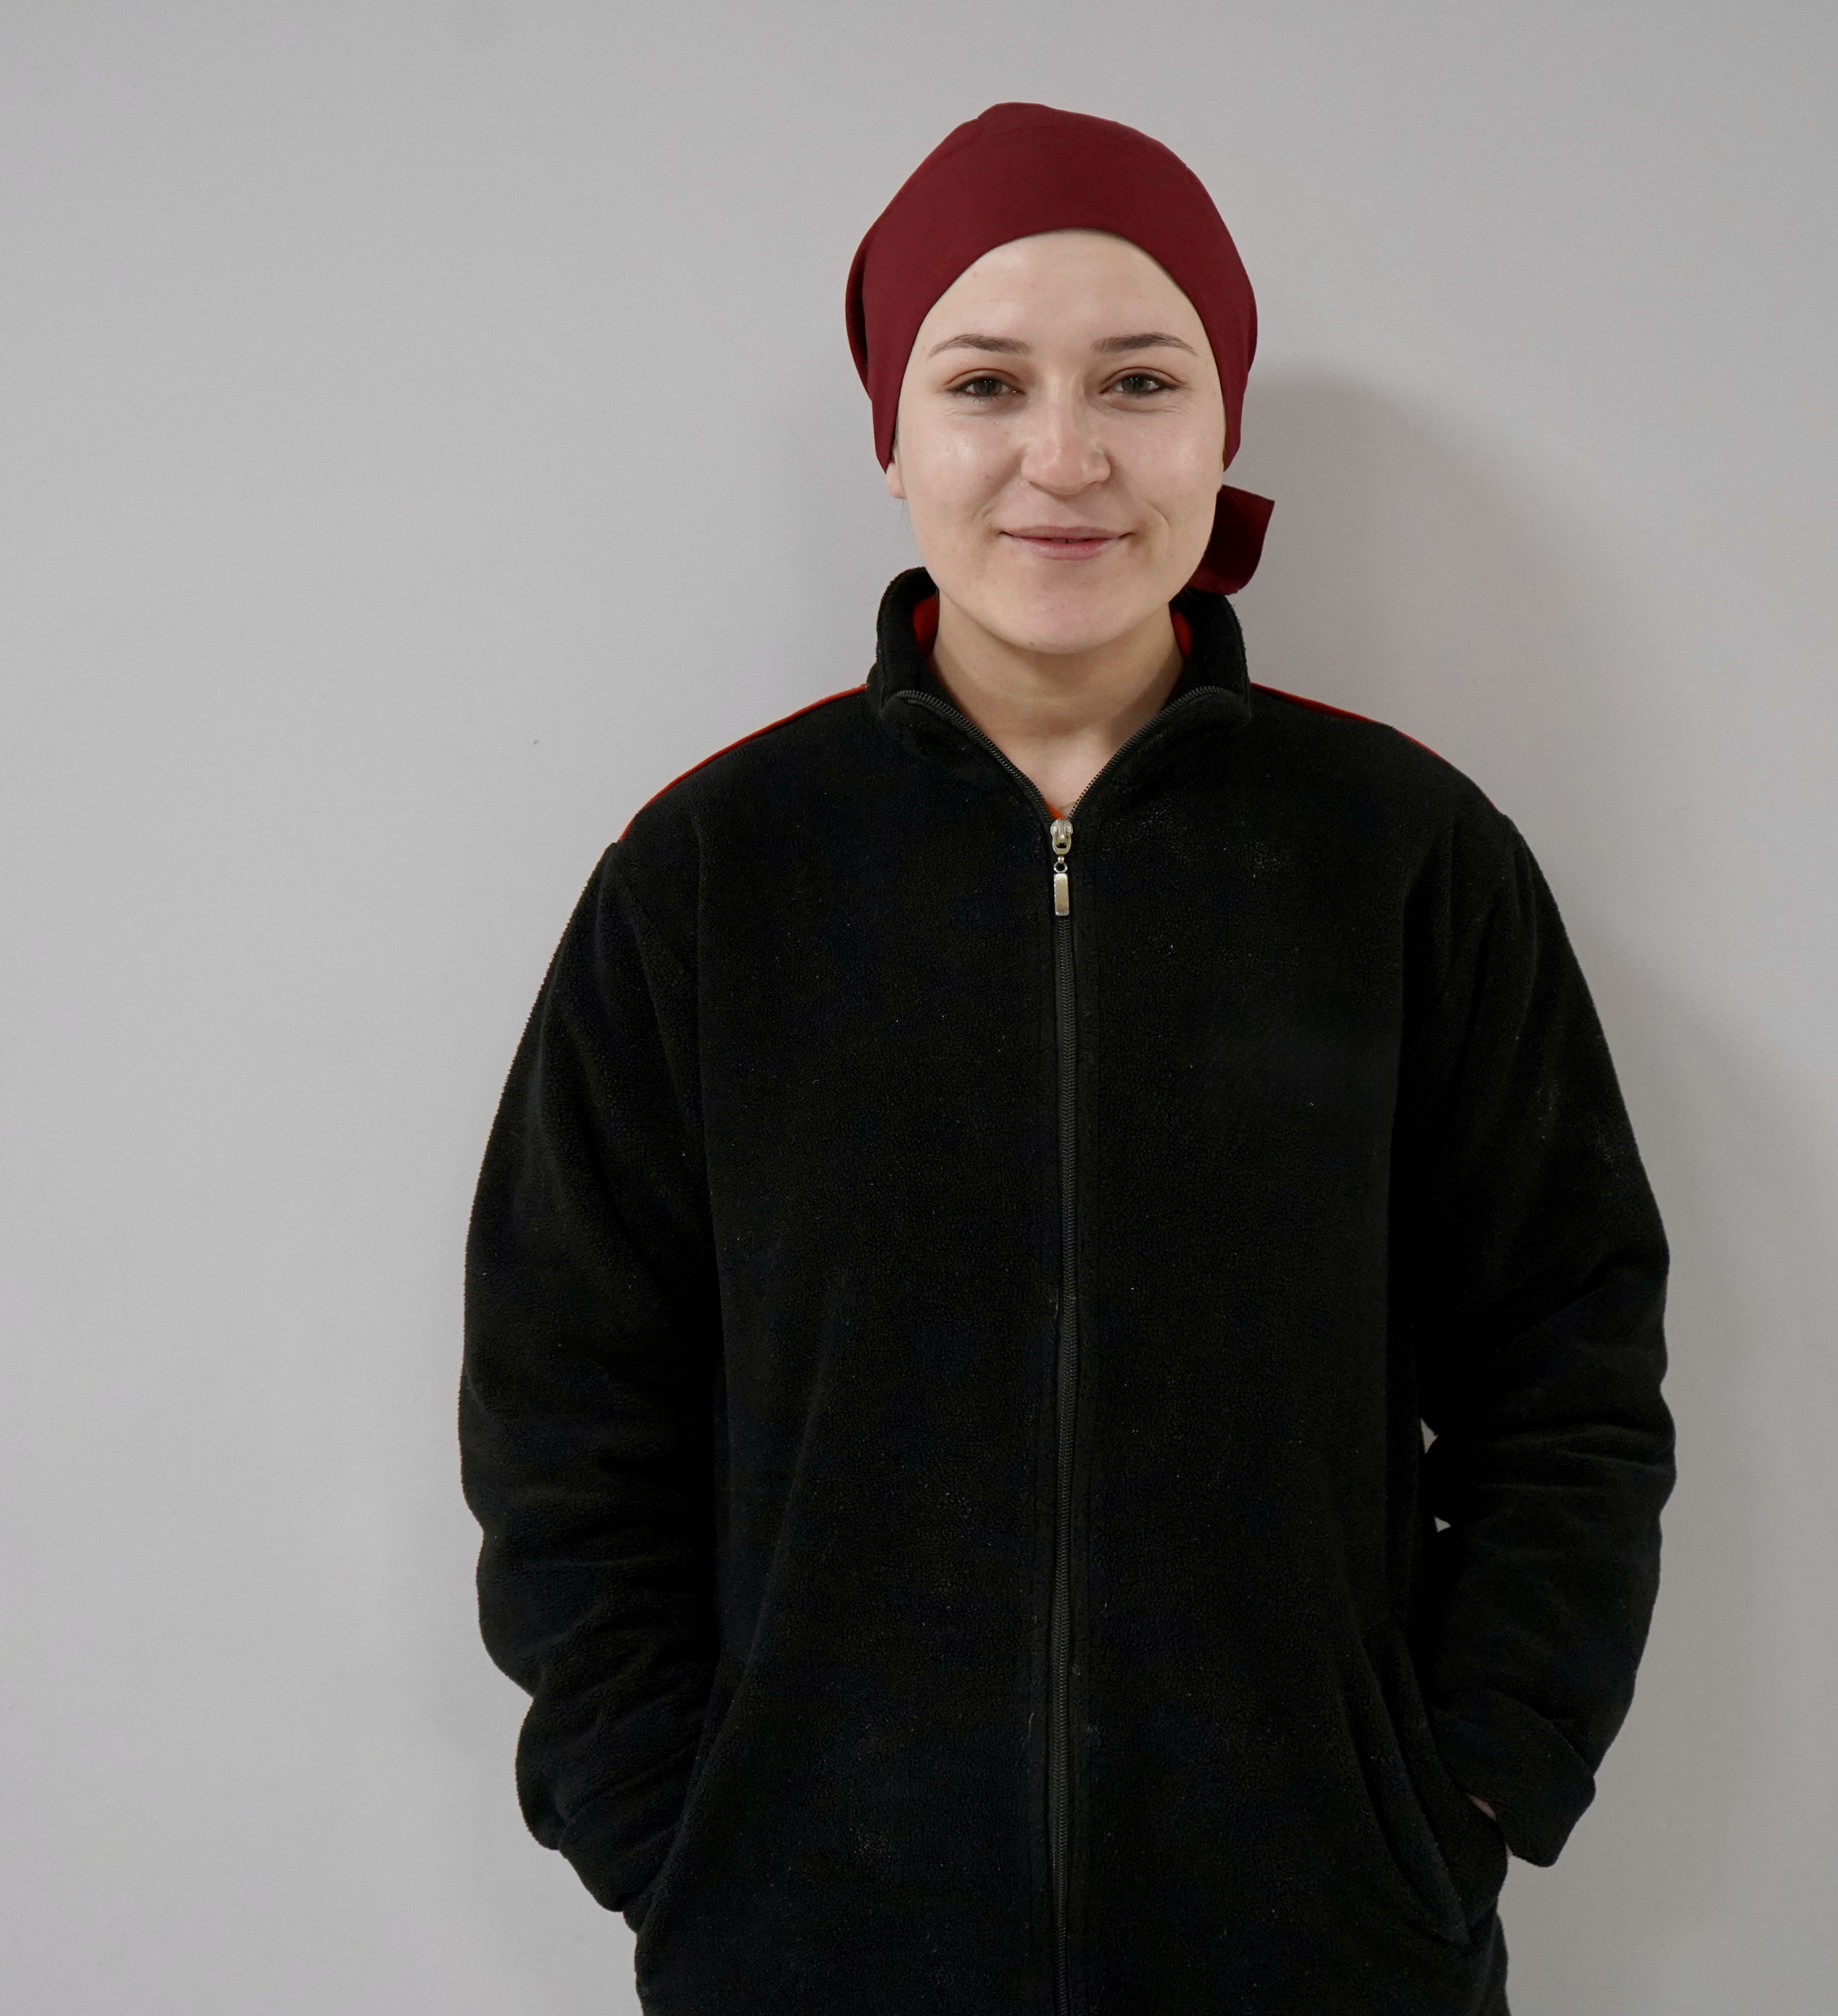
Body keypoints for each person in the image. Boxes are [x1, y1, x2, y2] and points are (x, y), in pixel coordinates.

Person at [459, 101, 1674, 2016]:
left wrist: (1463, 1789)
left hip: (1324, 1949)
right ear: (891, 437)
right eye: (983, 383)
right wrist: (674, 1830)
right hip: (813, 1948)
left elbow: (1567, 1371)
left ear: (1221, 422)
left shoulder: (1404, 861)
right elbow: (562, 1412)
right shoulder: (709, 880)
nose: (1065, 454)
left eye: (1137, 378)